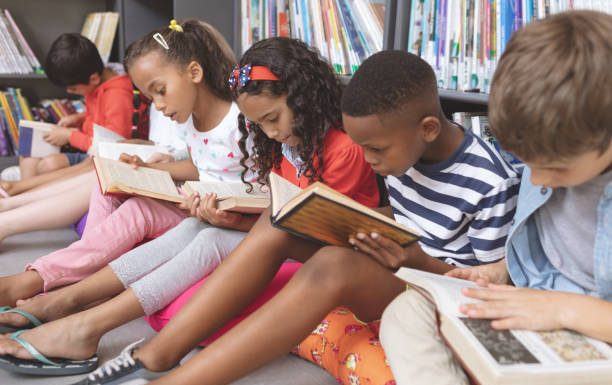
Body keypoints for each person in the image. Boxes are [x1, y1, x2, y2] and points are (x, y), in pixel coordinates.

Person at [72, 48, 518, 385]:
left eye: (375, 151)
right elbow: (407, 215)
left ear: (428, 129)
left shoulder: (488, 182)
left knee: (332, 265)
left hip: (434, 289)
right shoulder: (400, 152)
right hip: (399, 261)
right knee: (277, 221)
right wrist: (359, 221)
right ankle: (160, 353)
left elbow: (483, 291)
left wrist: (415, 260)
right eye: (362, 148)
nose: (369, 160)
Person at [379, 11, 612, 385]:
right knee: (407, 314)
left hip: (590, 325)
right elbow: (548, 242)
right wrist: (500, 269)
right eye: (526, 162)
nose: (536, 178)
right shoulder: (553, 147)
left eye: (555, 168)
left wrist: (563, 310)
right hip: (533, 298)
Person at [0, 19, 238, 309]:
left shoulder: (238, 122)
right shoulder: (188, 120)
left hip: (214, 211)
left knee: (138, 211)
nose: (158, 106)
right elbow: (197, 166)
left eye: (160, 91)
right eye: (151, 97)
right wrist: (146, 169)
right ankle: (79, 272)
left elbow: (258, 190)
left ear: (195, 72)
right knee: (106, 182)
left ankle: (42, 278)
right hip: (192, 197)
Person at [11, 33, 140, 181]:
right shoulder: (96, 82)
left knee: (49, 165)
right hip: (87, 142)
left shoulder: (118, 95)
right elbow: (102, 112)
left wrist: (69, 137)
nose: (69, 91)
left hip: (99, 153)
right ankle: (25, 187)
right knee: (29, 152)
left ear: (93, 78)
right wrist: (79, 117)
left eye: (72, 89)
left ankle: (28, 187)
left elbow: (114, 144)